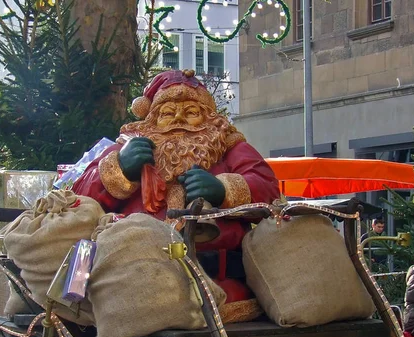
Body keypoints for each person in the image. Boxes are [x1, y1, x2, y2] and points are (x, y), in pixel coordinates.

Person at [73, 69, 280, 319]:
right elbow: (79, 198)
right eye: (167, 113)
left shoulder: (229, 146)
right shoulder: (127, 146)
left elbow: (267, 187)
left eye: (191, 112)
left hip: (223, 290)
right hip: (134, 289)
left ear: (207, 117)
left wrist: (223, 189)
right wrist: (119, 168)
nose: (179, 118)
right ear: (151, 119)